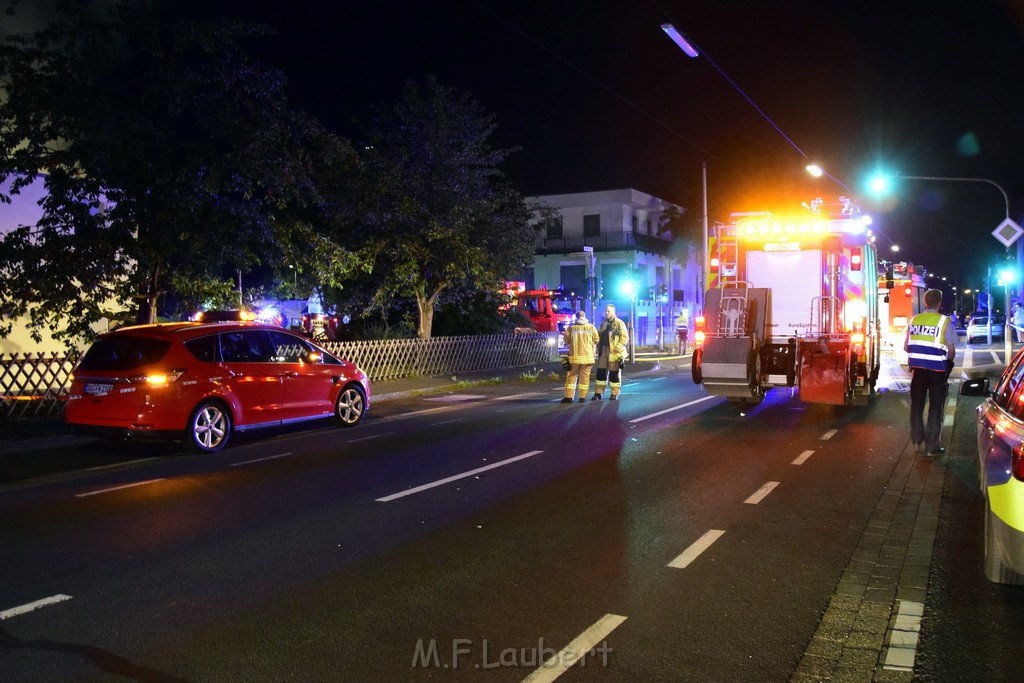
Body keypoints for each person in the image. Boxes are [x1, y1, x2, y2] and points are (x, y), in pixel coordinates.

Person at [904, 288, 958, 456]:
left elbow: (906, 347)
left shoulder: (915, 320)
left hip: (918, 372)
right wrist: (948, 362)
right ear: (940, 303)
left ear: (925, 302)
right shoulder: (944, 322)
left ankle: (917, 437)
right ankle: (931, 447)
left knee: (917, 405)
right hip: (937, 372)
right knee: (935, 407)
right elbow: (951, 350)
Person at [592, 303, 629, 401]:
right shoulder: (604, 323)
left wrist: (619, 347)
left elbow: (624, 337)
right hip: (603, 351)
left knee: (614, 374)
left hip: (614, 352)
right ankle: (598, 393)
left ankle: (614, 393)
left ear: (613, 311)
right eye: (606, 311)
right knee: (601, 373)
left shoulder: (619, 323)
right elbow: (598, 335)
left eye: (608, 311)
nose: (606, 313)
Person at [561, 310, 599, 403]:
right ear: (585, 316)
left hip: (574, 358)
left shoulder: (571, 328)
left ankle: (568, 397)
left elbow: (566, 340)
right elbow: (596, 340)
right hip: (588, 358)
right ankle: (582, 397)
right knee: (585, 377)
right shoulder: (591, 327)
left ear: (576, 317)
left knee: (571, 377)